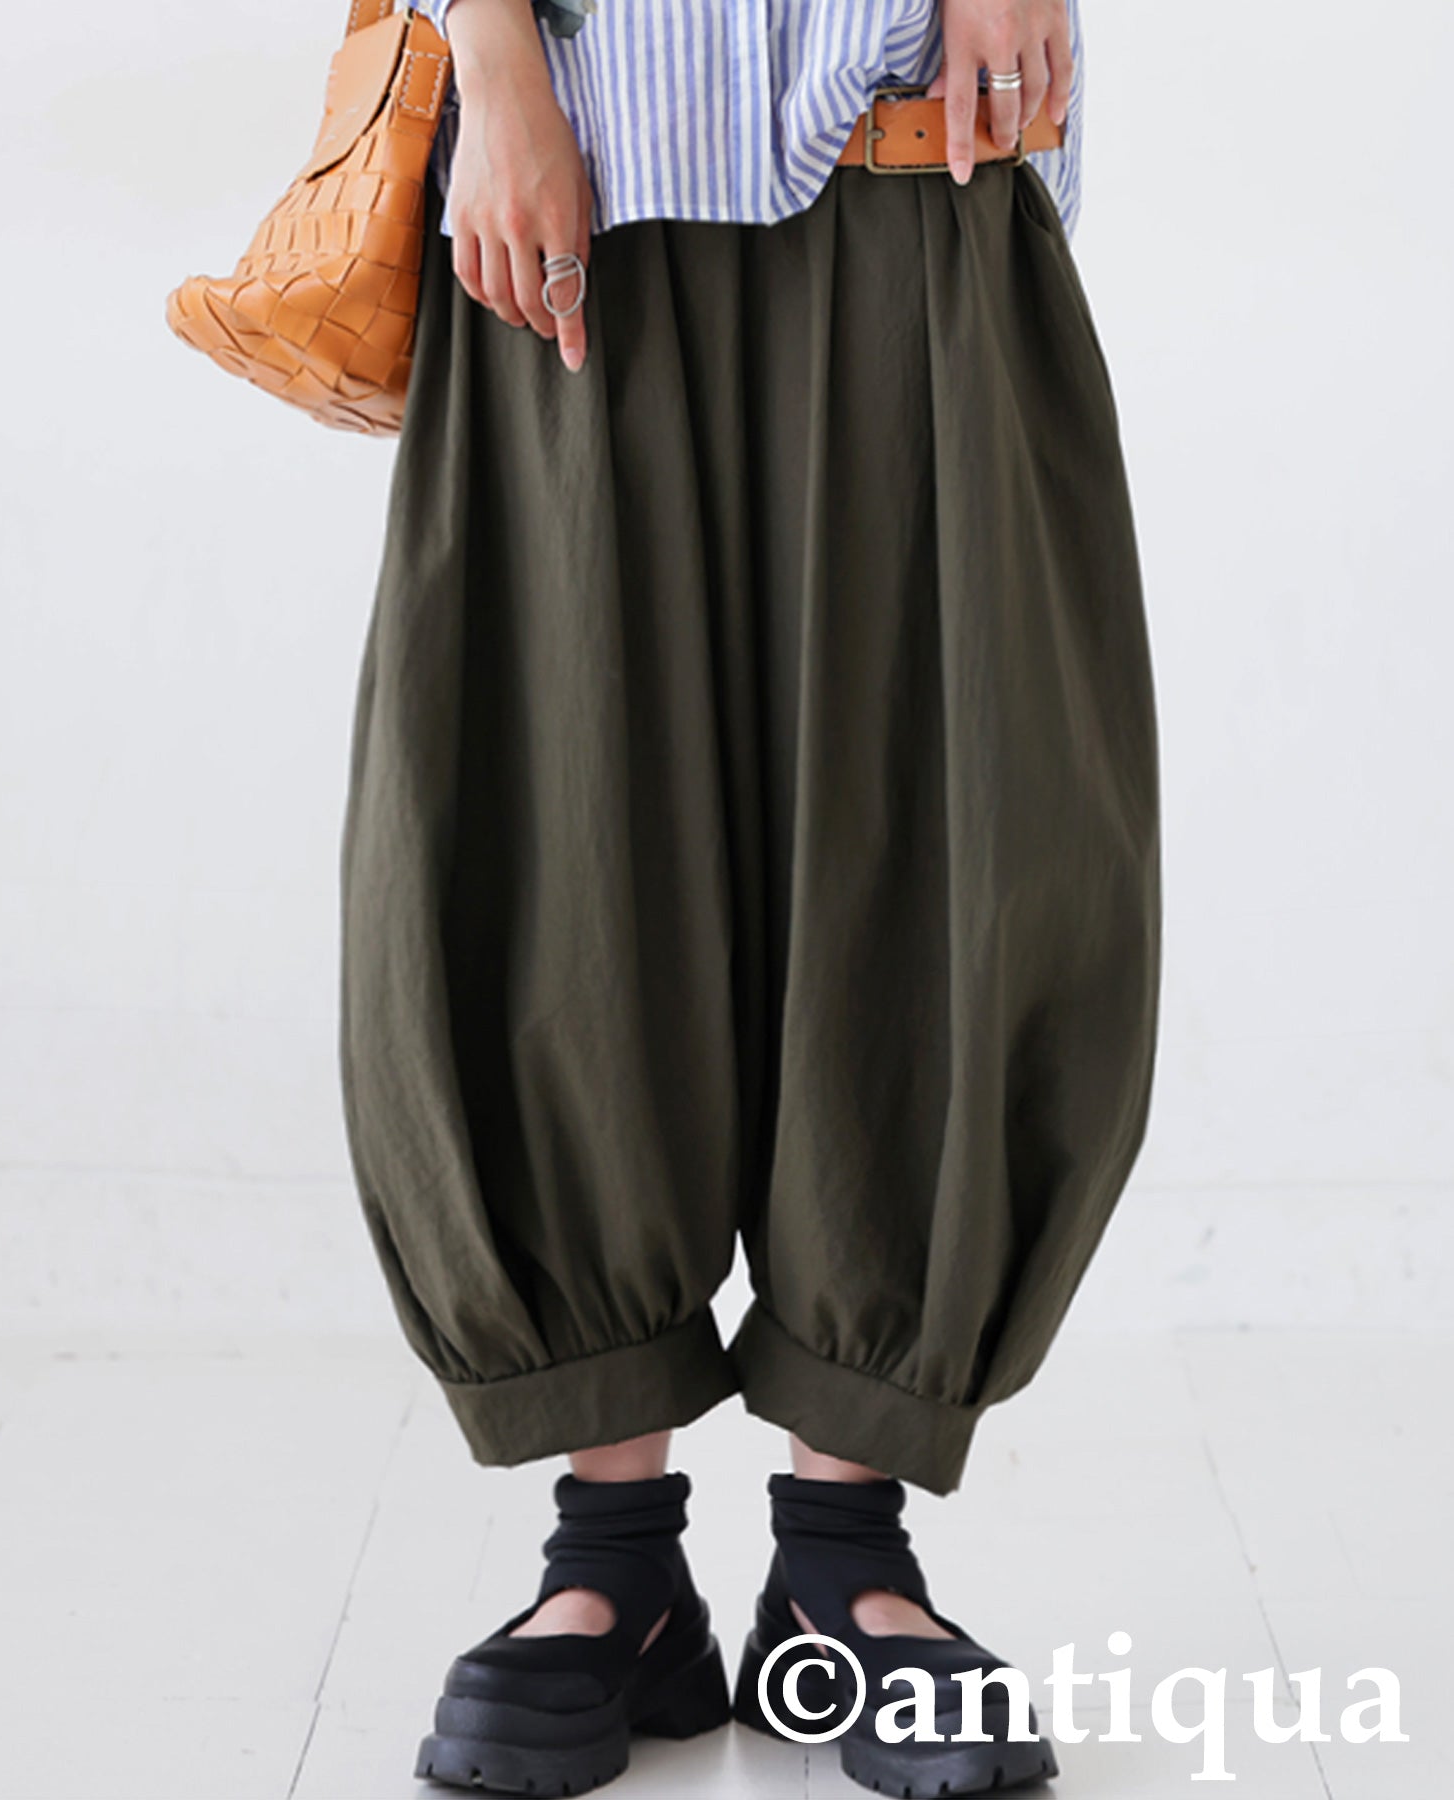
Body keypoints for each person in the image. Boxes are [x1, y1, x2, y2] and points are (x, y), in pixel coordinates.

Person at [335, 0, 1162, 1792]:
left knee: (937, 834)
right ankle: (614, 1564)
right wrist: (491, 64)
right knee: (568, 851)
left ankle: (844, 1561)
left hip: (915, 146)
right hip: (574, 167)